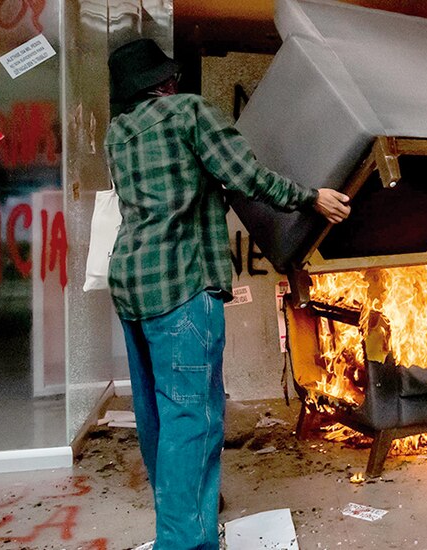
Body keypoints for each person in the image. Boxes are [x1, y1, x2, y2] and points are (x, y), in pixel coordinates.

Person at [105, 38, 351, 550]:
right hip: (181, 285)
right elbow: (247, 176)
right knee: (192, 417)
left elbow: (170, 190)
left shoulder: (119, 133)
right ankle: (185, 543)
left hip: (132, 284)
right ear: (167, 82)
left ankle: (185, 514)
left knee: (156, 413)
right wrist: (311, 198)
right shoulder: (190, 112)